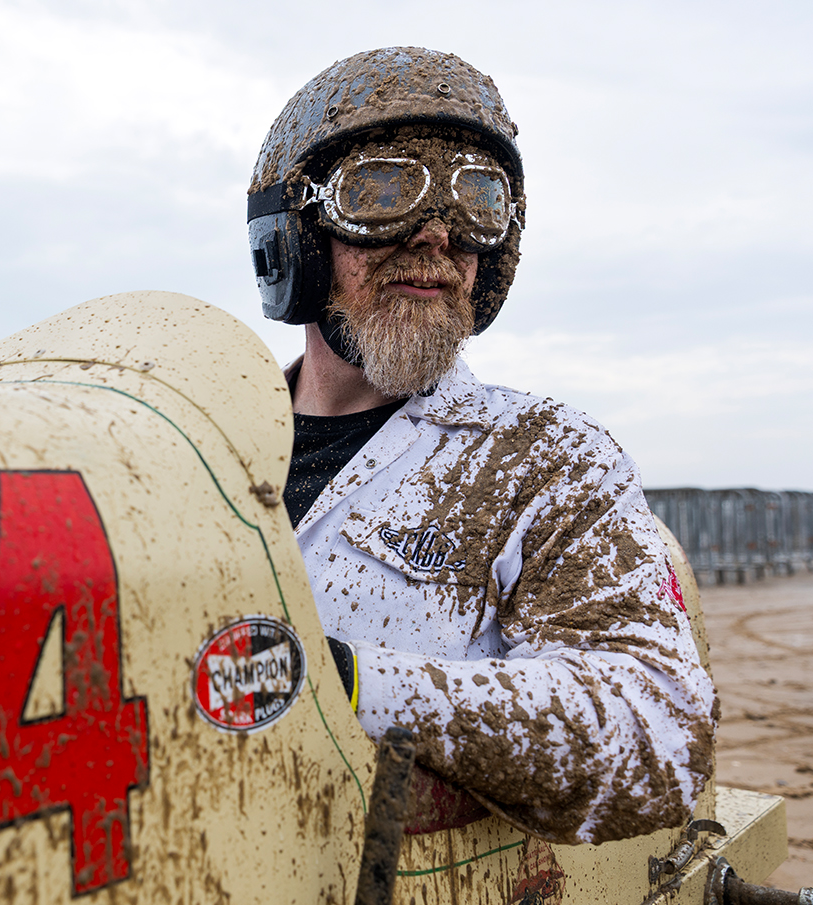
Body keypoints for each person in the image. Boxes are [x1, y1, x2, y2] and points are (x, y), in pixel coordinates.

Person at [247, 47, 714, 845]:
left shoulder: (546, 459)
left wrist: (350, 682)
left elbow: (660, 734)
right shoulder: (208, 444)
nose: (436, 231)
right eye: (384, 191)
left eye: (478, 200)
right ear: (296, 237)